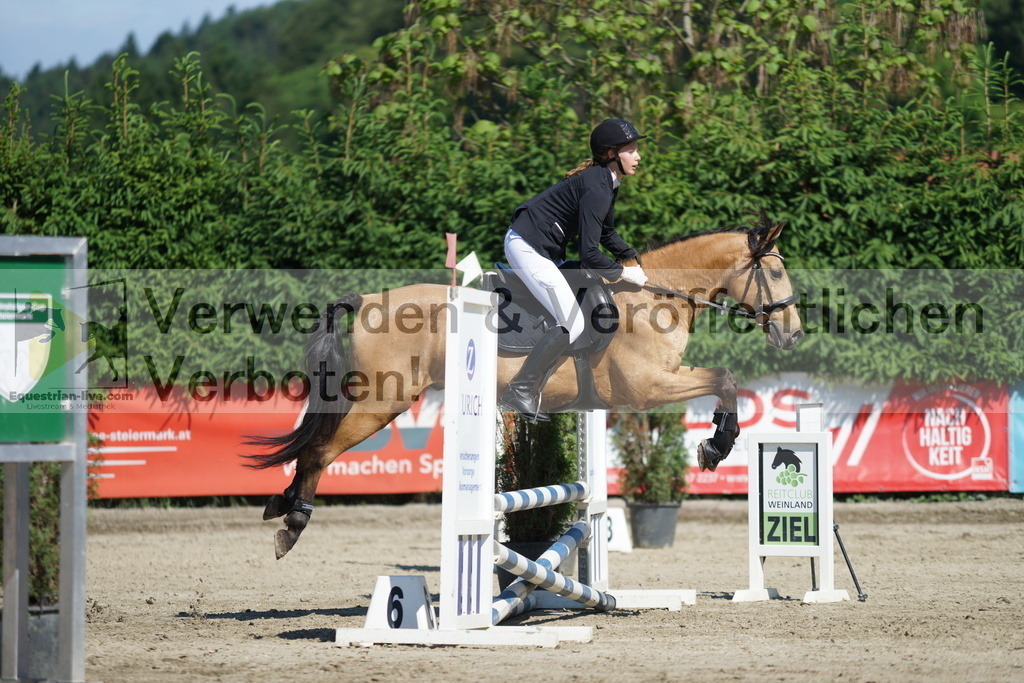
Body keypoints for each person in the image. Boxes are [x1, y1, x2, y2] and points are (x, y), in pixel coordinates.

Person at [499, 118, 649, 421]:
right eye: (631, 149)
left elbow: (607, 234)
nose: (638, 156)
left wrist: (633, 256)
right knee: (571, 322)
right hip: (527, 247)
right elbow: (590, 252)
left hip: (542, 248)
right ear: (611, 154)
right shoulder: (597, 185)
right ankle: (521, 390)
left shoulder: (606, 182)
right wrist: (621, 273)